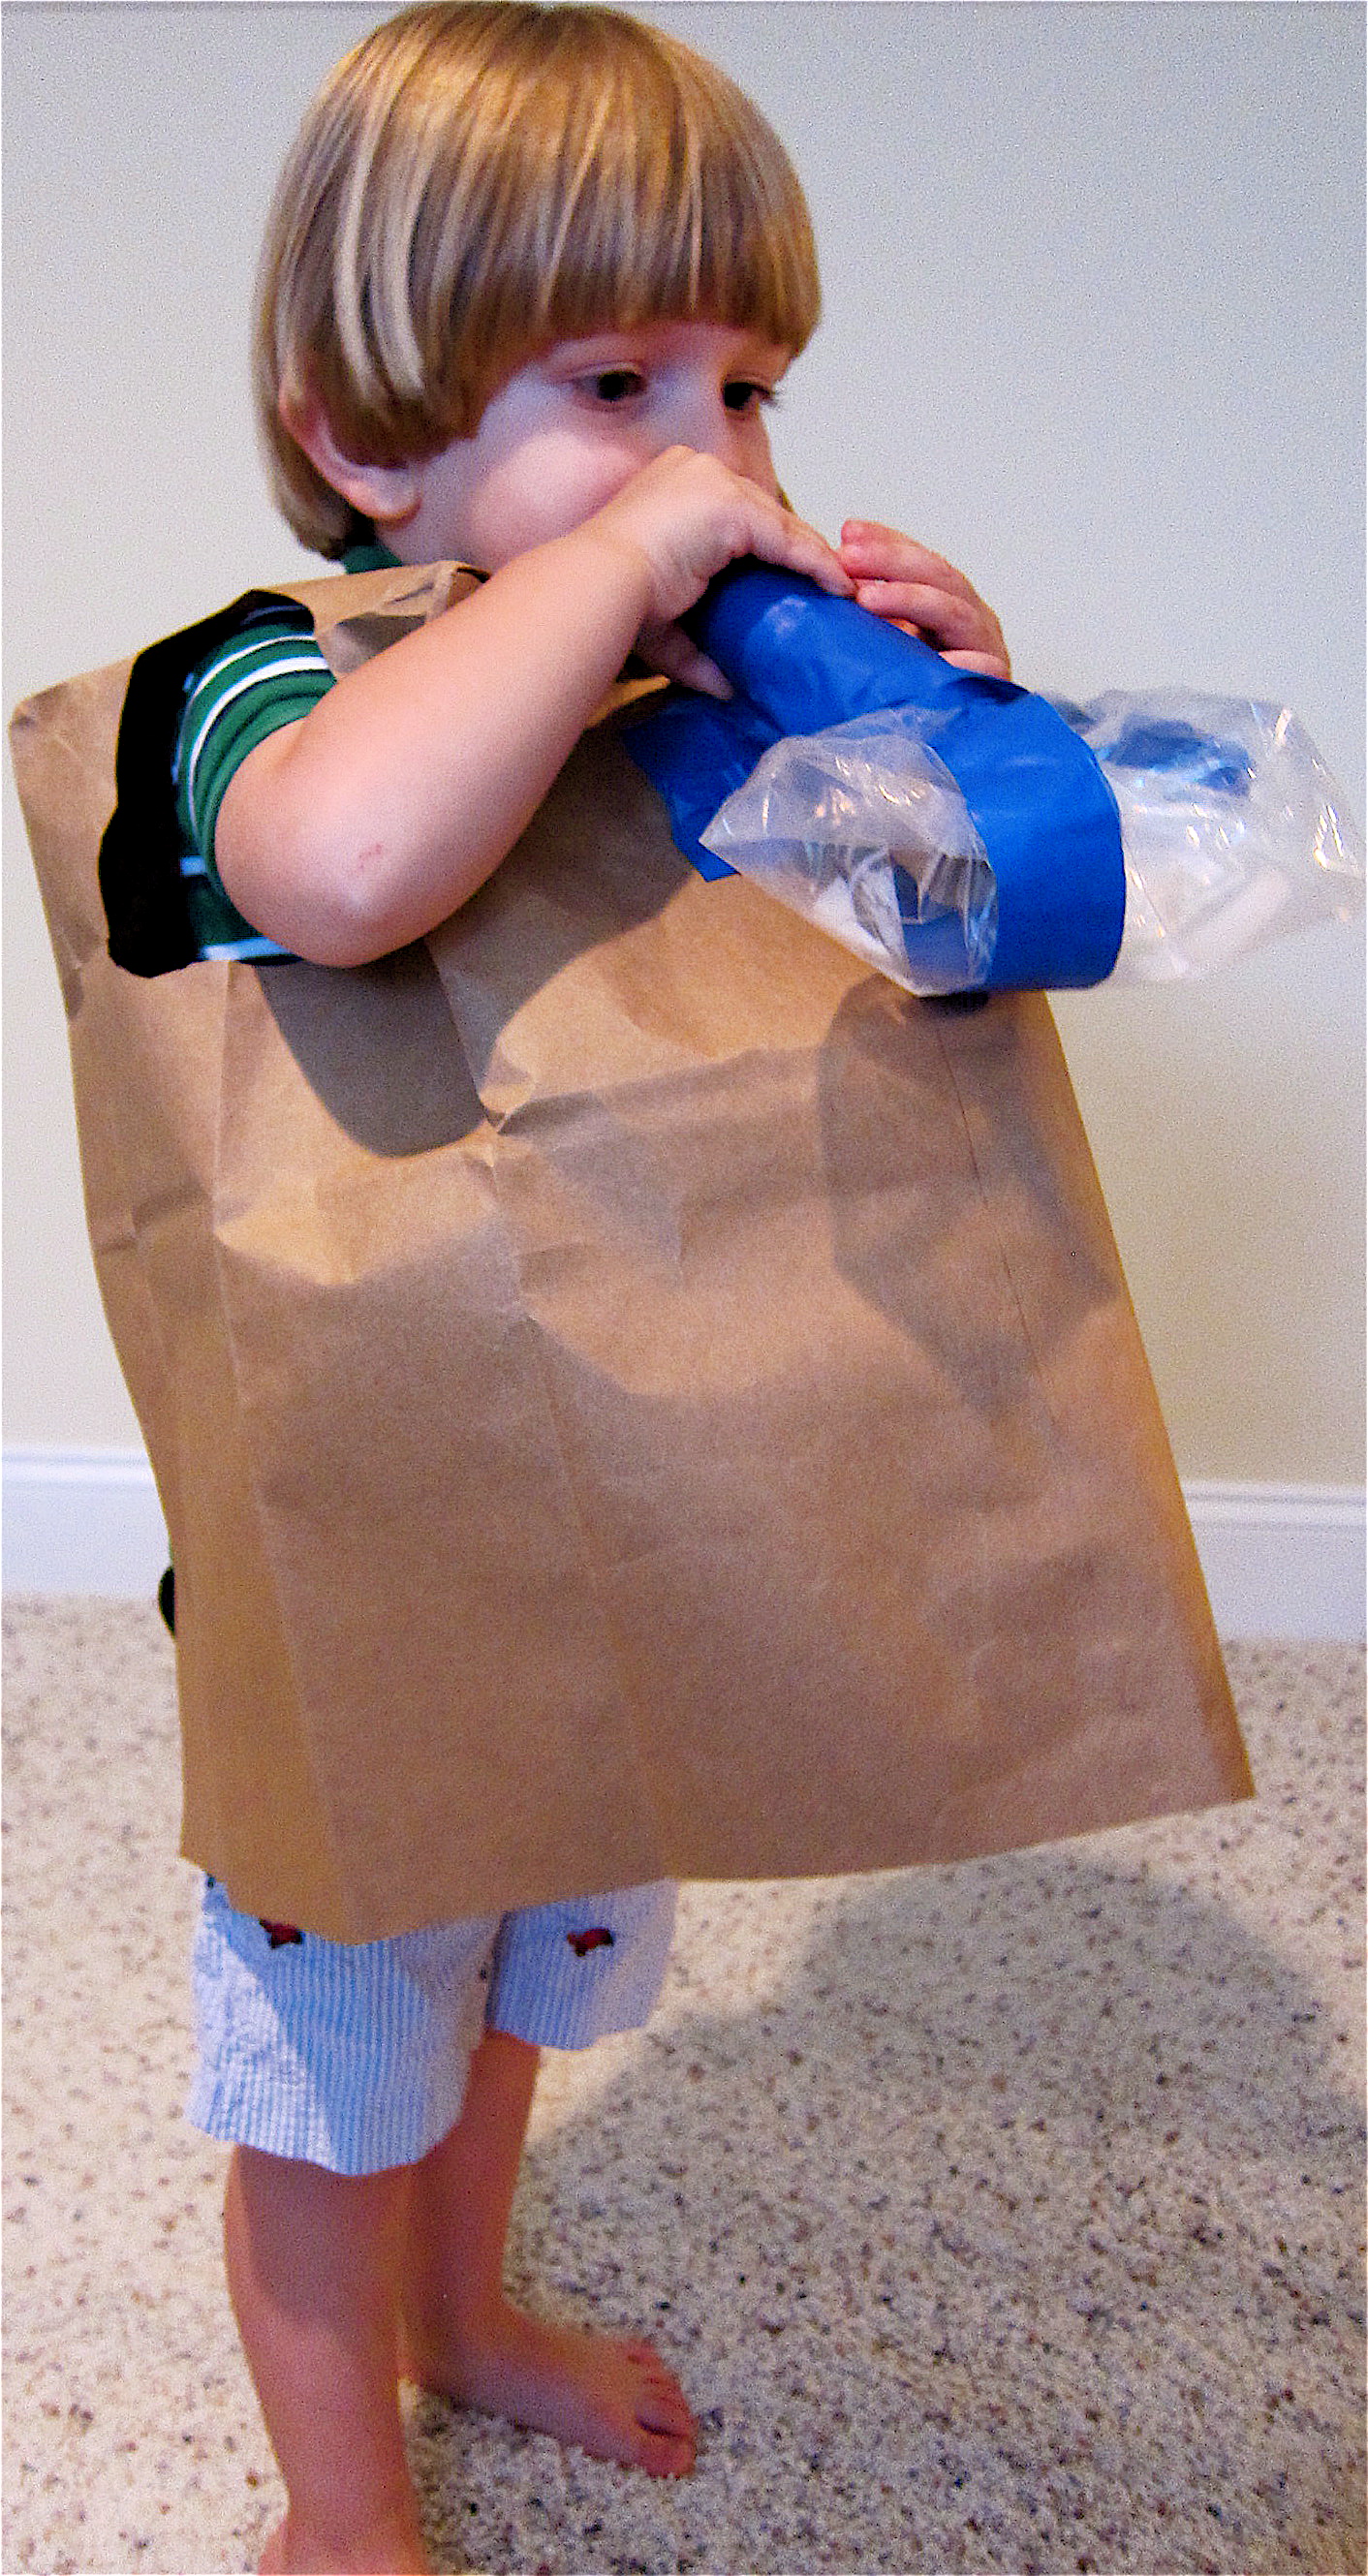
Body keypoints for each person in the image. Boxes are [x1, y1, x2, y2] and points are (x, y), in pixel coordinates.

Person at [165, 8, 1010, 2567]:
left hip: (634, 1553)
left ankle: (469, 2311)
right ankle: (339, 2509)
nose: (710, 458)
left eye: (746, 390)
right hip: (364, 1591)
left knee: (522, 2007)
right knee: (338, 2078)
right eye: (618, 383)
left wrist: (939, 725)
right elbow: (339, 871)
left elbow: (946, 959)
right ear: (360, 429)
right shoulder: (260, 677)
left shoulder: (686, 715)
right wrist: (624, 576)